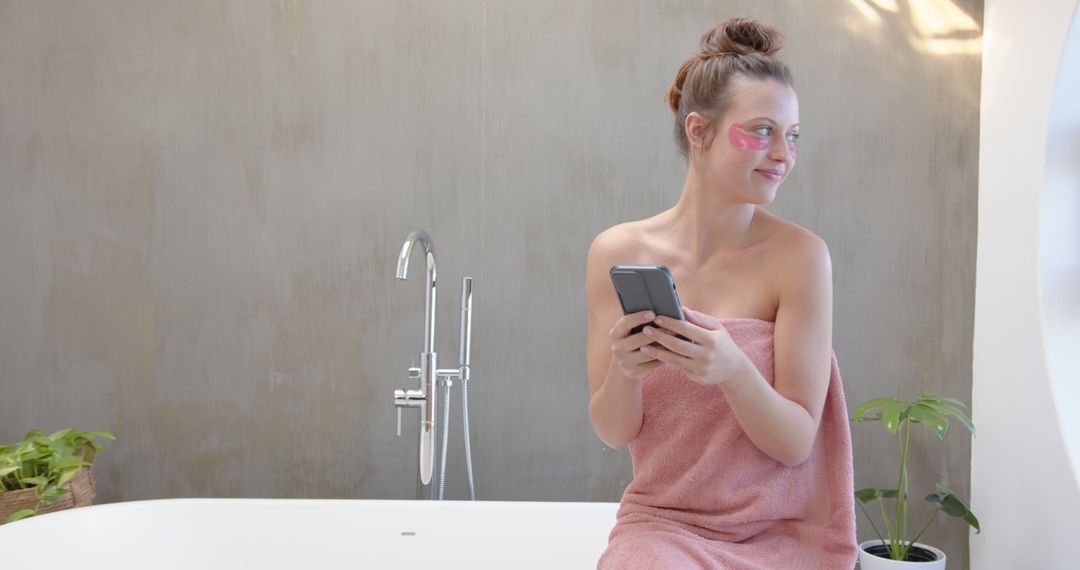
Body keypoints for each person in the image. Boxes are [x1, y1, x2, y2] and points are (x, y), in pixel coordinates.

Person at [586, 18, 858, 569]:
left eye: (793, 134)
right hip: (662, 526)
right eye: (762, 131)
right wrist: (626, 369)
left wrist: (733, 369)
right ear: (698, 131)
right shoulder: (617, 250)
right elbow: (614, 432)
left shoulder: (801, 259)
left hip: (779, 533)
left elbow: (796, 443)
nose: (784, 153)